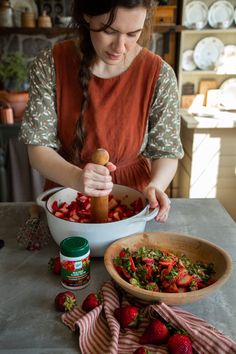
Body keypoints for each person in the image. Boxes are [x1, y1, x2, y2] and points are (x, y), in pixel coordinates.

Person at [19, 0, 184, 223]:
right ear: (87, 16)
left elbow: (166, 152)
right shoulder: (50, 64)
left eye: (133, 33)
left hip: (133, 199)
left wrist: (156, 185)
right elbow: (37, 149)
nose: (120, 47)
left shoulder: (159, 74)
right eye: (109, 31)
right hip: (67, 193)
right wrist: (77, 178)